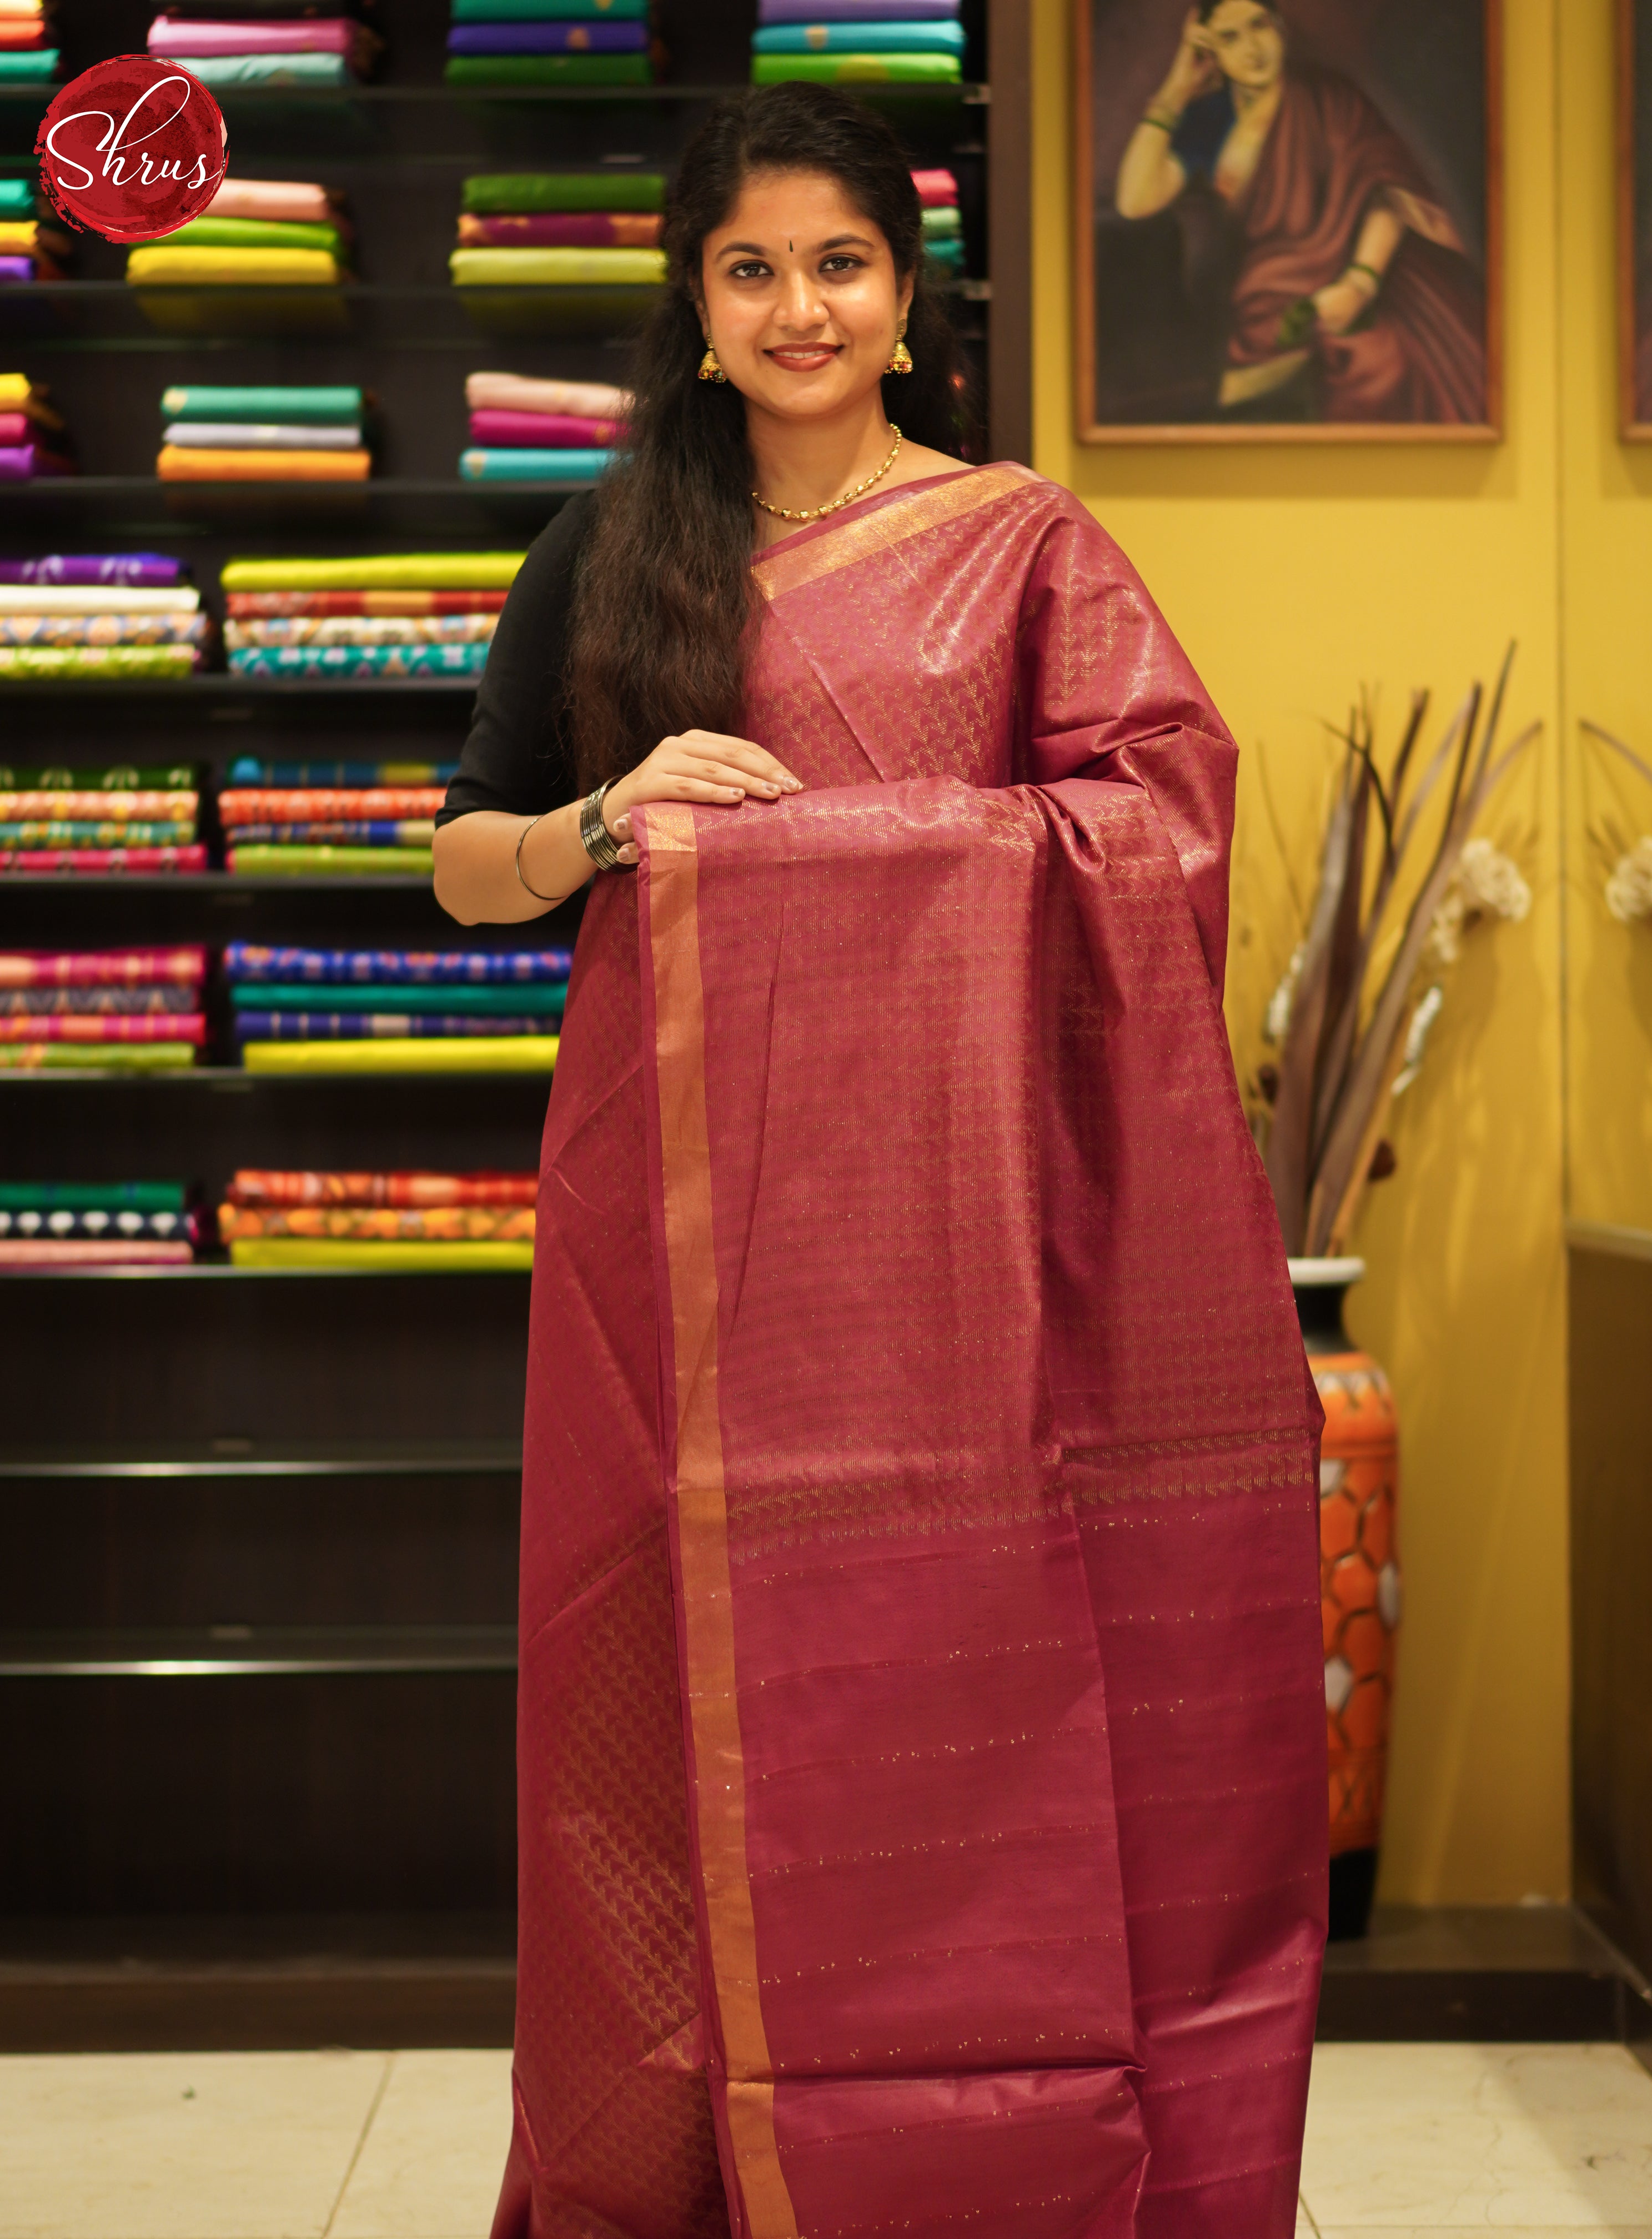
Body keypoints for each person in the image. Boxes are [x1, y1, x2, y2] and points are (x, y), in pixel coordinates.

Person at [435, 80, 1327, 2239]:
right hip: (672, 1256)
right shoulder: (613, 543)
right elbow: (469, 869)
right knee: (648, 1722)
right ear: (698, 304)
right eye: (752, 268)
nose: (799, 305)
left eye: (839, 262)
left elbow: (1167, 834)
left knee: (985, 1704)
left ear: (907, 297)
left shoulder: (1026, 546)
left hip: (958, 1261)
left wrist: (848, 854)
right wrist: (614, 822)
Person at [1114, 0, 1486, 422]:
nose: (1252, 48)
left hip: (1356, 289)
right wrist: (1176, 89)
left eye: (1259, 27)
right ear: (1209, 52)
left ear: (1280, 30)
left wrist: (1359, 284)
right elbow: (1135, 201)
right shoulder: (1210, 120)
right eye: (1230, 38)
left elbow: (1388, 195)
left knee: (1382, 361)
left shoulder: (1332, 102)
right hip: (1259, 311)